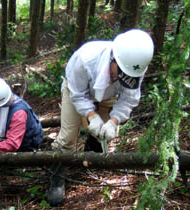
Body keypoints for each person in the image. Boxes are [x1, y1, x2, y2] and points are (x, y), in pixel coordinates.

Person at [48, 29, 154, 206]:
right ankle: (56, 178)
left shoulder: (135, 66)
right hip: (77, 92)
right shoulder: (85, 59)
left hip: (107, 95)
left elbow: (128, 99)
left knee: (104, 133)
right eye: (119, 72)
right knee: (67, 136)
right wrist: (91, 115)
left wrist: (113, 121)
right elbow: (77, 94)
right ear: (114, 58)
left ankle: (91, 150)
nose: (122, 77)